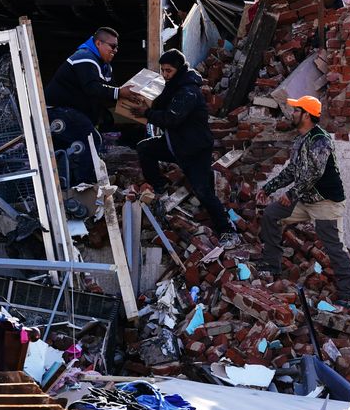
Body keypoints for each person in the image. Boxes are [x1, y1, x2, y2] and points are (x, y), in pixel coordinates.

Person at [129, 49, 240, 249]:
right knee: (145, 148)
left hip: (195, 150)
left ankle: (228, 231)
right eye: (162, 70)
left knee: (203, 191)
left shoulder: (188, 91)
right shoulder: (173, 86)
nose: (165, 74)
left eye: (169, 70)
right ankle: (160, 186)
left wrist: (146, 112)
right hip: (176, 144)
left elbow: (172, 118)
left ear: (179, 69)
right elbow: (161, 104)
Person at [255, 96, 350, 308]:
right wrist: (269, 187)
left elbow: (314, 174)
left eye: (296, 110)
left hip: (325, 202)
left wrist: (291, 194)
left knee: (334, 247)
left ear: (307, 115)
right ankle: (271, 265)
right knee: (272, 215)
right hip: (306, 199)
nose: (292, 113)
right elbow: (293, 170)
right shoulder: (301, 139)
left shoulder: (321, 140)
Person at [44, 27, 139, 186]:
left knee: (71, 147)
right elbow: (92, 88)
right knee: (90, 139)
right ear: (98, 43)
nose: (115, 50)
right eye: (112, 46)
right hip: (56, 110)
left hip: (70, 111)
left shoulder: (105, 67)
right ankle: (85, 186)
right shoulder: (84, 58)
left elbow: (109, 91)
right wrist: (119, 93)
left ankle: (68, 185)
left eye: (117, 47)